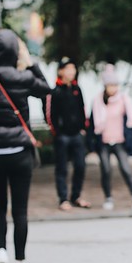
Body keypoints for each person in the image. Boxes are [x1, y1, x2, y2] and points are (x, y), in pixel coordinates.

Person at [0, 30, 51, 263]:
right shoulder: (23, 77)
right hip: (20, 151)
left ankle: (0, 252)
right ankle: (20, 262)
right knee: (20, 210)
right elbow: (46, 90)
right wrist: (31, 63)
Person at [91, 65, 132, 211]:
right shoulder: (97, 101)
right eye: (110, 85)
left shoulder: (124, 100)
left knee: (126, 169)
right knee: (106, 170)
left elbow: (131, 121)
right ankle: (108, 197)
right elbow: (93, 124)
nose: (113, 88)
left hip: (119, 140)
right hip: (104, 141)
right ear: (105, 86)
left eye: (115, 85)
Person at [45, 57, 91, 210]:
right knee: (62, 168)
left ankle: (76, 196)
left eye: (73, 68)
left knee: (80, 166)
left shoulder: (77, 89)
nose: (72, 71)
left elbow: (82, 109)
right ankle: (63, 199)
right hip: (62, 136)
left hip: (77, 134)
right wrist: (56, 132)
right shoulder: (55, 91)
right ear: (61, 71)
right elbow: (50, 114)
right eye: (68, 68)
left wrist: (83, 128)